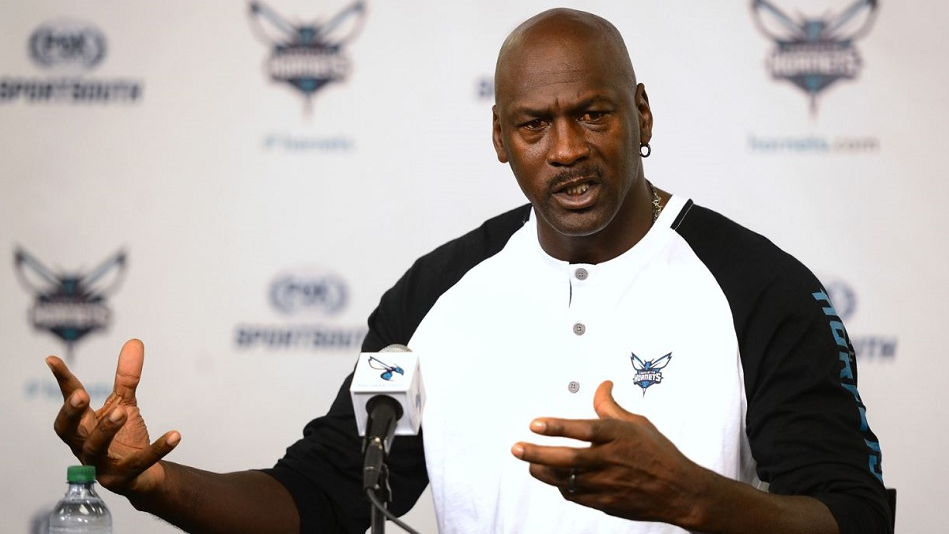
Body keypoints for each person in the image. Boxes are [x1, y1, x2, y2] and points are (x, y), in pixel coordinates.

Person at [46, 7, 892, 534]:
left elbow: (852, 516)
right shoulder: (434, 293)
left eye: (593, 114)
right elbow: (327, 495)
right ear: (498, 138)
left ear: (640, 113)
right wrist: (155, 484)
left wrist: (693, 498)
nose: (567, 149)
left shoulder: (761, 289)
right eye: (534, 125)